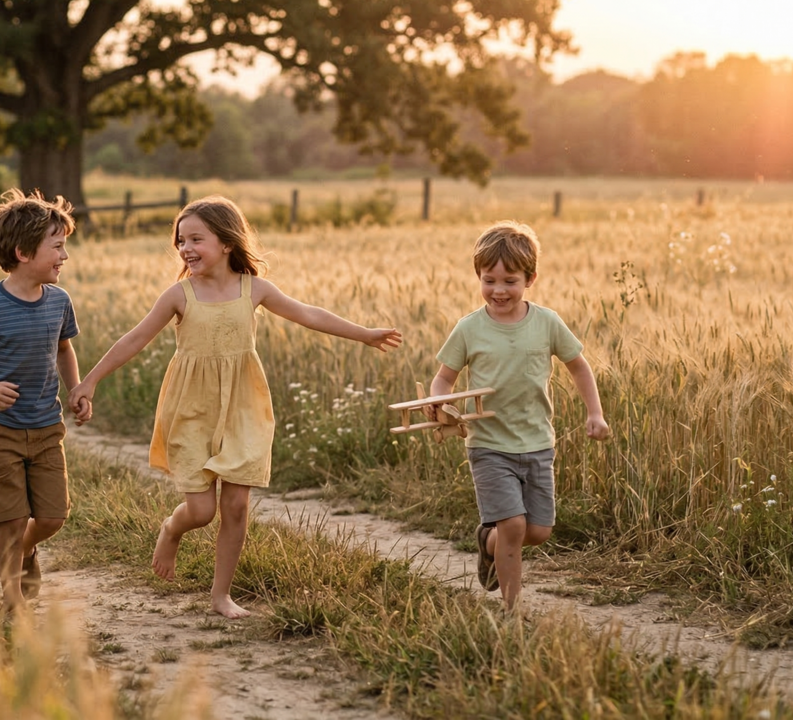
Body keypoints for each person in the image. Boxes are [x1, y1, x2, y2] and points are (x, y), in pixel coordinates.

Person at [68, 195, 402, 619]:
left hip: (243, 405)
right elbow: (134, 339)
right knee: (201, 511)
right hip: (191, 408)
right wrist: (90, 381)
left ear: (227, 242)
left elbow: (309, 315)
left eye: (195, 239)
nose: (185, 248)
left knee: (236, 506)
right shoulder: (179, 295)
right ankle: (172, 530)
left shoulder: (254, 289)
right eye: (180, 240)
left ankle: (220, 596)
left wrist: (365, 334)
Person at [425, 220, 609, 612]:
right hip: (489, 446)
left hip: (538, 442)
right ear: (478, 277)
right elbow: (443, 378)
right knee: (513, 525)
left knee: (538, 531)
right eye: (488, 280)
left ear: (530, 279)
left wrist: (595, 413)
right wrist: (438, 402)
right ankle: (512, 609)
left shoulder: (547, 322)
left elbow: (579, 366)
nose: (498, 290)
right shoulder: (469, 329)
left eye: (509, 281)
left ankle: (488, 543)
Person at [0, 188, 92, 616]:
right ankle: (12, 604)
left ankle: (27, 551)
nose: (65, 256)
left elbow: (64, 349)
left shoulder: (59, 302)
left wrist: (76, 388)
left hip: (47, 427)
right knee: (11, 519)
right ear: (24, 252)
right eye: (58, 246)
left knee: (51, 518)